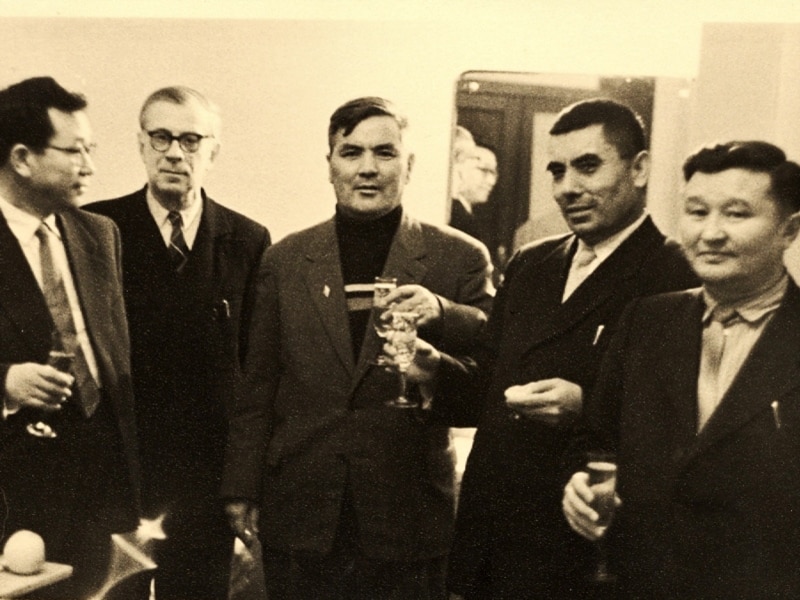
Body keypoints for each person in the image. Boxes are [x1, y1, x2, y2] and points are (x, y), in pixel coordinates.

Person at [410, 98, 699, 599]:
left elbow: (689, 424)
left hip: (581, 553)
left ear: (639, 169)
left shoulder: (676, 274)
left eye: (587, 166)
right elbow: (488, 384)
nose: (567, 187)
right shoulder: (531, 263)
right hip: (493, 537)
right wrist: (435, 368)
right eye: (557, 171)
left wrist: (585, 406)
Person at [221, 96, 494, 600]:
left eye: (385, 152)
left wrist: (435, 362)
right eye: (351, 152)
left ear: (409, 165)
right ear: (330, 165)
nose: (368, 168)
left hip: (407, 516)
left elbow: (486, 388)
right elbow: (258, 384)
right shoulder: (285, 260)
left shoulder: (458, 258)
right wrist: (240, 487)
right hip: (301, 510)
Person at [563, 140, 800, 599]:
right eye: (696, 212)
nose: (710, 233)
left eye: (736, 214)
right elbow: (595, 439)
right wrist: (580, 483)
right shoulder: (647, 320)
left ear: (788, 229)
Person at [85, 86, 271, 600]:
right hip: (120, 474)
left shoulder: (248, 239)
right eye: (161, 137)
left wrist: (243, 483)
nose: (174, 153)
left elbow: (256, 373)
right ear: (141, 144)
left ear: (214, 151)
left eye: (191, 140)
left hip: (205, 480)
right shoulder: (95, 229)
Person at [0, 76, 140, 598]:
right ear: (21, 158)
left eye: (91, 150)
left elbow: (117, 363)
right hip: (19, 502)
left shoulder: (99, 233)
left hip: (110, 493)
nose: (90, 166)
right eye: (75, 150)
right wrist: (6, 383)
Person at [449, 145, 498, 241]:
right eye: (484, 170)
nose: (491, 181)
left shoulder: (467, 216)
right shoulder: (454, 216)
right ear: (460, 170)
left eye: (493, 173)